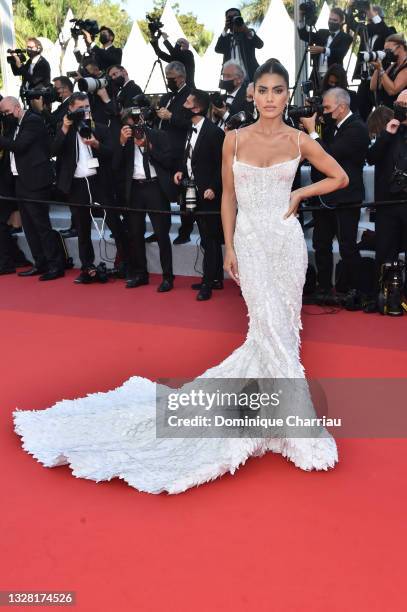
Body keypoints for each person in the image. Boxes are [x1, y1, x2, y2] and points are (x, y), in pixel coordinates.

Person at [13, 60, 347, 495]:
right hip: (250, 243)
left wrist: (301, 191)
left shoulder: (300, 140)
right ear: (253, 94)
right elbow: (228, 196)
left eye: (277, 90)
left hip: (285, 247)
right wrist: (229, 246)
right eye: (262, 89)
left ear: (287, 95)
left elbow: (339, 177)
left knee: (280, 332)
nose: (269, 97)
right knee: (266, 328)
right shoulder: (234, 139)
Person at [301, 88, 370, 309]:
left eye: (328, 108)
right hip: (327, 196)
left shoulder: (357, 128)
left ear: (342, 107)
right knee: (321, 243)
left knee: (348, 245)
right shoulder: (334, 126)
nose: (325, 112)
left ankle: (356, 290)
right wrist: (315, 120)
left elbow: (327, 155)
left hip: (346, 197)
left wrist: (312, 131)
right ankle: (323, 288)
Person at [50, 92, 128, 284]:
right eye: (80, 109)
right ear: (70, 109)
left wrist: (96, 144)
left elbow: (112, 152)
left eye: (87, 108)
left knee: (114, 223)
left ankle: (126, 264)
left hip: (99, 182)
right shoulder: (64, 130)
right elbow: (52, 151)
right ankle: (88, 267)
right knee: (82, 228)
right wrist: (66, 128)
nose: (84, 112)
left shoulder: (100, 128)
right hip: (76, 184)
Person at [0, 97, 65, 281]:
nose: (5, 116)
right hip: (20, 181)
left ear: (17, 108)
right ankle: (40, 262)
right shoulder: (15, 124)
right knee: (28, 227)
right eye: (3, 114)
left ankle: (55, 264)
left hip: (36, 182)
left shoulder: (32, 121)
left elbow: (19, 146)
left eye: (7, 112)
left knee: (41, 226)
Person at [114, 110, 175, 292]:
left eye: (135, 124)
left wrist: (147, 145)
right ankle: (141, 274)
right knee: (135, 233)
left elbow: (169, 161)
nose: (134, 129)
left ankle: (167, 277)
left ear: (142, 120)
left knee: (162, 233)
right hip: (134, 189)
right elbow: (115, 165)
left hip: (155, 187)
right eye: (129, 126)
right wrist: (122, 143)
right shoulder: (124, 140)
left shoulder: (158, 135)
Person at [174, 90, 225, 301]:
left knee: (210, 239)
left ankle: (208, 283)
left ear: (197, 108)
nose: (183, 105)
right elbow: (189, 158)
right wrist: (180, 171)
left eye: (187, 102)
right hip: (192, 190)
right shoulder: (190, 129)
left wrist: (214, 187)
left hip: (209, 194)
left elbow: (222, 165)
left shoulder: (214, 132)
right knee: (206, 238)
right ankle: (216, 278)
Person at [364, 91, 407, 312]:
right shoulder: (389, 131)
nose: (400, 107)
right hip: (387, 204)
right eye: (398, 103)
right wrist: (388, 133)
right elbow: (371, 157)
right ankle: (381, 296)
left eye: (404, 104)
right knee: (384, 252)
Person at [345, 3, 396, 120]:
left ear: (379, 18)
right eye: (368, 20)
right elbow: (352, 23)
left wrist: (372, 13)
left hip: (380, 80)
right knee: (359, 113)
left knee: (382, 115)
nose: (369, 22)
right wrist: (350, 8)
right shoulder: (365, 31)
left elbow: (386, 32)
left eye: (371, 19)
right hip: (365, 79)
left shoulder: (388, 31)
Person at [298, 7, 352, 93]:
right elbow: (303, 35)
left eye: (335, 20)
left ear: (341, 22)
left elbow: (340, 53)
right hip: (318, 78)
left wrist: (323, 50)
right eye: (330, 19)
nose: (331, 22)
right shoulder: (322, 33)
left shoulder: (346, 37)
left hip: (334, 79)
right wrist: (301, 17)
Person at [215, 7, 264, 81]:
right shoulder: (226, 37)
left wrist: (245, 29)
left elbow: (260, 45)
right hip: (232, 79)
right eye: (230, 17)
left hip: (250, 76)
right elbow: (218, 49)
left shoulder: (247, 33)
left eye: (235, 16)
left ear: (240, 17)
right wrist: (225, 29)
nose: (233, 19)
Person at [370, 34, 407, 110]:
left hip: (398, 115)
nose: (386, 53)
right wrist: (377, 67)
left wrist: (381, 69)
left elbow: (392, 90)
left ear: (400, 47)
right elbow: (373, 86)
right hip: (385, 111)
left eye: (388, 50)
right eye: (384, 50)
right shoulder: (393, 66)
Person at [212, 61, 247, 130]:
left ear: (239, 79)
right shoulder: (221, 97)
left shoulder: (247, 98)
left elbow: (243, 127)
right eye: (223, 75)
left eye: (228, 76)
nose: (224, 79)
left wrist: (224, 114)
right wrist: (214, 116)